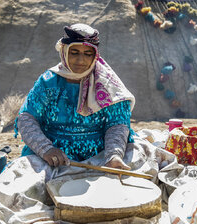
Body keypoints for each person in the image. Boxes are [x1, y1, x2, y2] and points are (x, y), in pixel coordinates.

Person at [15, 23, 136, 170]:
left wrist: (113, 155)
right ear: (64, 52)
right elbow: (27, 117)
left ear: (95, 56)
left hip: (100, 155)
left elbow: (117, 123)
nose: (80, 60)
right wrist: (45, 149)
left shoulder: (107, 83)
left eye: (87, 54)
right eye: (74, 53)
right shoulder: (48, 81)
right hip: (54, 156)